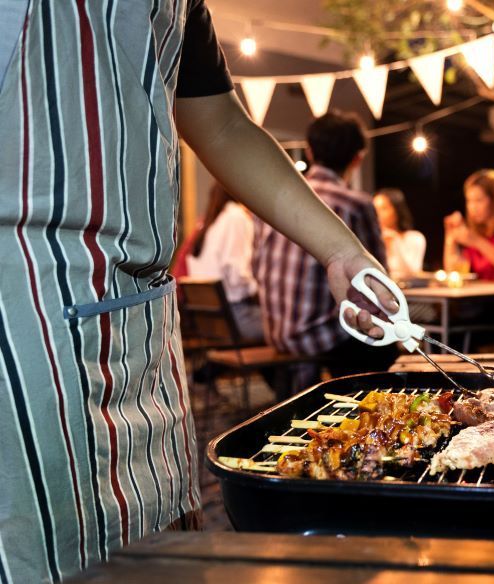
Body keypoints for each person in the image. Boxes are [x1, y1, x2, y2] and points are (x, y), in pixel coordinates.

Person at [0, 2, 393, 582]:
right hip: (22, 301)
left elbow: (223, 124)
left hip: (142, 314)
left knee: (161, 544)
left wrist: (342, 252)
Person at [252, 112, 399, 394]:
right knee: (391, 353)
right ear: (358, 158)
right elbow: (377, 284)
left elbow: (256, 268)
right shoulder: (355, 204)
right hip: (320, 339)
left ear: (309, 150)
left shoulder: (272, 199)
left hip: (276, 334)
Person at [181, 183, 263, 343]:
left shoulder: (210, 223)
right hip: (236, 318)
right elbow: (237, 275)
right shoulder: (236, 217)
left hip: (211, 324)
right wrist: (259, 289)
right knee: (287, 328)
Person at [373, 188, 426, 279]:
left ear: (397, 210)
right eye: (374, 210)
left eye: (383, 208)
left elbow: (413, 272)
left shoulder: (415, 238)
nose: (378, 214)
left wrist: (395, 241)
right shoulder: (371, 239)